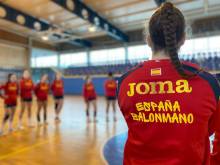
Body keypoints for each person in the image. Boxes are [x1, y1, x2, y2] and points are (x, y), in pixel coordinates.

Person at [117, 2, 220, 165]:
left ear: (148, 39)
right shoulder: (208, 83)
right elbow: (207, 130)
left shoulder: (125, 83)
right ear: (183, 39)